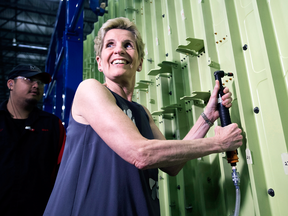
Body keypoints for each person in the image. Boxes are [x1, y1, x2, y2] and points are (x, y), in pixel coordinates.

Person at [44, 17, 242, 216]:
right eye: (110, 45)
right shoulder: (90, 90)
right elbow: (140, 153)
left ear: (139, 62)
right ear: (99, 63)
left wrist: (207, 117)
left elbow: (172, 165)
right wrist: (219, 143)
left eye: (128, 45)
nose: (119, 50)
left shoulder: (142, 113)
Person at [0, 64, 66, 216]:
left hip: (39, 210)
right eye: (28, 79)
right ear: (11, 84)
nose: (36, 85)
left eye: (40, 82)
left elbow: (61, 171)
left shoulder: (52, 125)